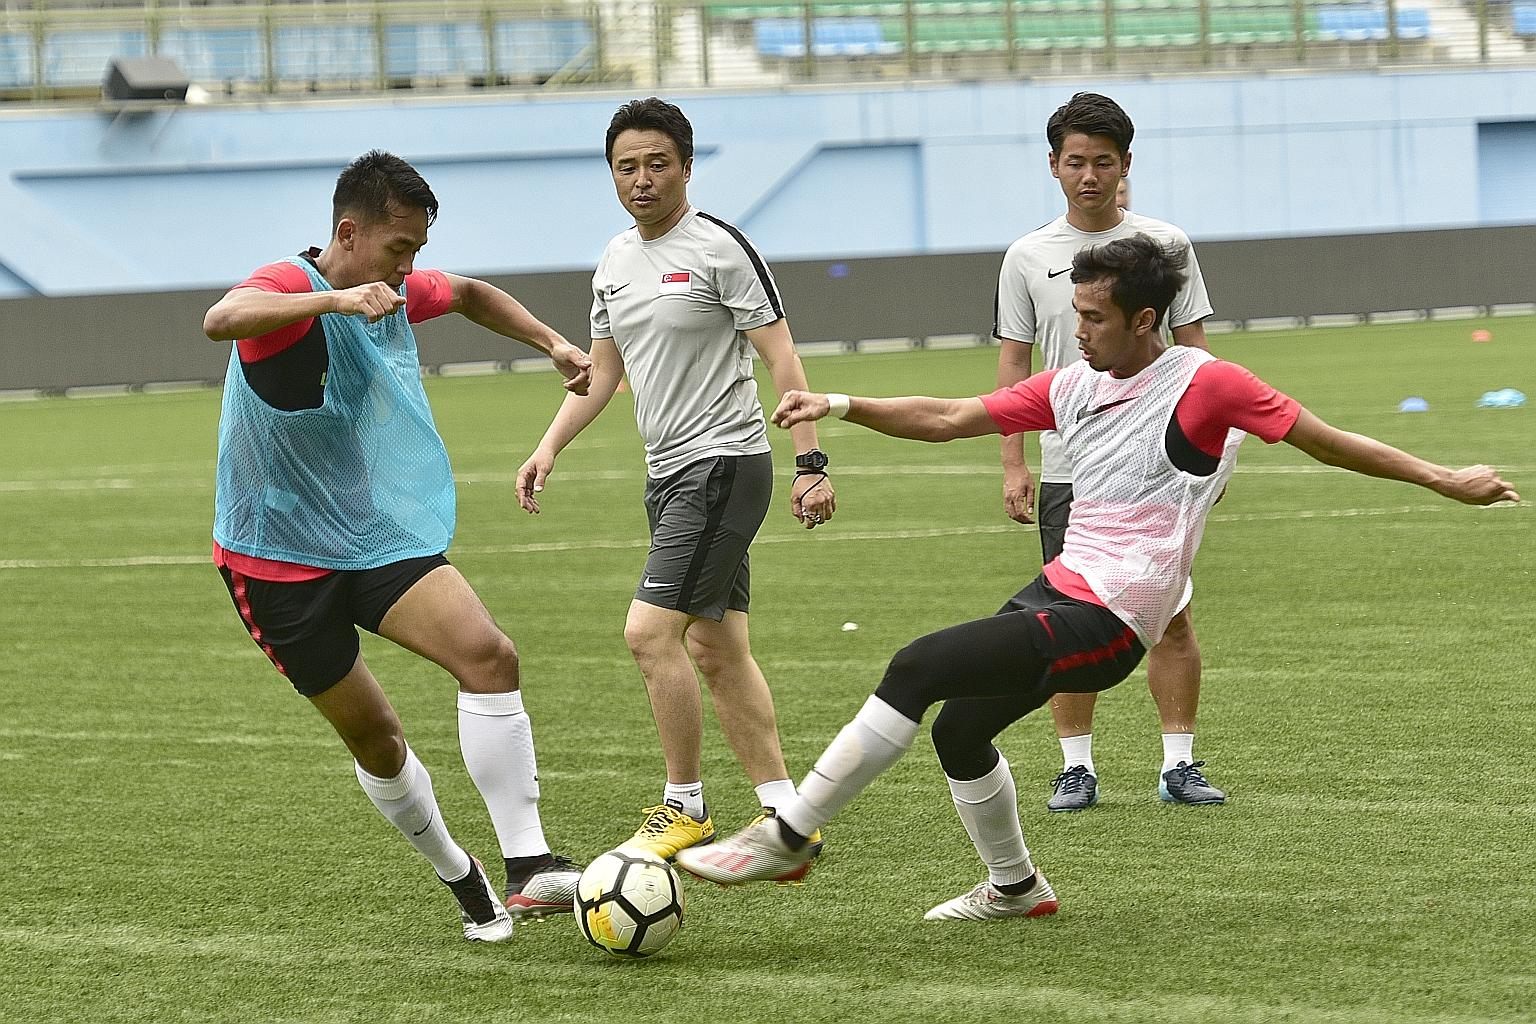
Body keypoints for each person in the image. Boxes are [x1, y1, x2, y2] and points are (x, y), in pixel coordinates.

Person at [677, 234, 1517, 920]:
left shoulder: (1206, 383)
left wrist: (1445, 477)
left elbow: (1327, 440)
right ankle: (1017, 890)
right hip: (1061, 591)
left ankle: (789, 835)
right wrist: (843, 405)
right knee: (959, 733)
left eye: (1093, 317)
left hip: (1114, 619)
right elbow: (951, 417)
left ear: (1145, 318)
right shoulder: (1076, 383)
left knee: (917, 665)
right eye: (1074, 313)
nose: (1077, 330)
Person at [203, 150, 593, 943]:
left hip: (371, 535)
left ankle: (531, 866)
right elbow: (222, 318)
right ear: (348, 233)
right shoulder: (289, 283)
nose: (411, 266)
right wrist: (337, 302)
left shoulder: (390, 288)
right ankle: (461, 872)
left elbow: (473, 293)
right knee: (378, 741)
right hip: (275, 563)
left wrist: (551, 342)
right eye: (399, 248)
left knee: (489, 655)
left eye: (416, 249)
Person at [514, 97, 836, 861]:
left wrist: (811, 462)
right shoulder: (615, 261)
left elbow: (781, 359)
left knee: (649, 633)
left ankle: (683, 804)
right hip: (668, 476)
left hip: (723, 464)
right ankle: (788, 812)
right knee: (719, 649)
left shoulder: (721, 248)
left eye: (658, 163)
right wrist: (548, 446)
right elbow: (602, 374)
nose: (642, 178)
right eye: (627, 166)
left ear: (686, 167)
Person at [995, 91, 1225, 811]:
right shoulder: (1027, 256)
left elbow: (1197, 359)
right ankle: (1076, 767)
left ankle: (1179, 763)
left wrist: (1207, 453)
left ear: (1126, 165)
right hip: (1072, 470)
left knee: (1174, 612)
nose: (1088, 175)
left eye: (1102, 161)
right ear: (1053, 167)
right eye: (1074, 162)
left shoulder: (1168, 246)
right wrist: (1014, 461)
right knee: (1070, 620)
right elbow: (1014, 366)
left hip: (1158, 469)